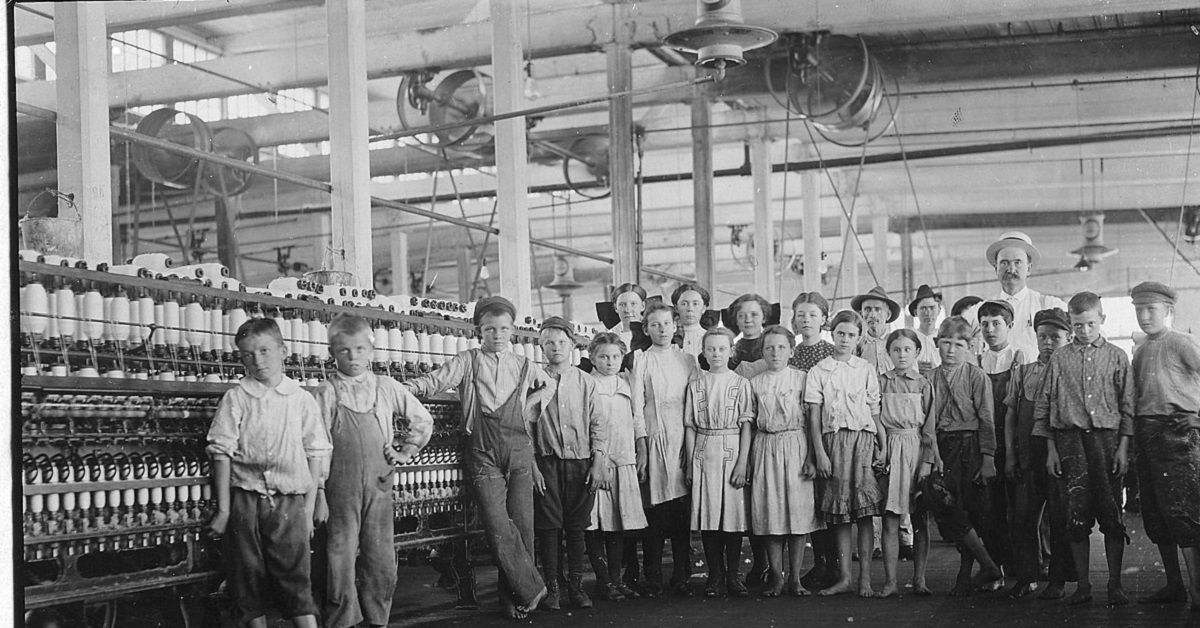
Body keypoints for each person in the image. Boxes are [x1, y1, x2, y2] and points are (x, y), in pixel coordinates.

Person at [402, 296, 549, 620]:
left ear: (512, 330)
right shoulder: (467, 360)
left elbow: (548, 386)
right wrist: (404, 389)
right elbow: (435, 381)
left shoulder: (524, 364)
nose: (497, 335)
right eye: (490, 329)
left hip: (519, 450)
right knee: (497, 526)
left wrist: (529, 410)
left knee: (522, 526)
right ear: (478, 330)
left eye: (504, 329)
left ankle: (513, 601)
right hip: (482, 452)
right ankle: (532, 588)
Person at [206, 318, 332, 628]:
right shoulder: (236, 398)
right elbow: (221, 453)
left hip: (289, 502)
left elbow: (316, 453)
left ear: (283, 351)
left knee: (296, 581)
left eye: (264, 351)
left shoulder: (301, 399)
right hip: (245, 501)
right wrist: (224, 510)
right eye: (248, 354)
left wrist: (308, 507)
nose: (257, 360)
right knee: (246, 583)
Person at [314, 315, 433, 628]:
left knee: (380, 556)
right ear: (331, 352)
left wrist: (405, 450)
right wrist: (319, 490)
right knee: (338, 554)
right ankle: (342, 619)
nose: (353, 357)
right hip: (339, 486)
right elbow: (314, 445)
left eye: (359, 349)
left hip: (379, 484)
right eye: (344, 350)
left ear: (371, 350)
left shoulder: (386, 387)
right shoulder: (325, 393)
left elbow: (422, 419)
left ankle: (378, 618)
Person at [1033, 291, 1134, 607]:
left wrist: (1123, 448)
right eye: (1077, 325)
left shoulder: (1118, 357)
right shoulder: (1060, 359)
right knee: (1075, 515)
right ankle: (1084, 585)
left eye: (1090, 324)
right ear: (1071, 323)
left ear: (1102, 320)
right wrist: (1050, 450)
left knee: (1111, 512)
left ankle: (1115, 584)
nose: (1084, 331)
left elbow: (1127, 405)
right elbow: (1044, 405)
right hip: (1069, 442)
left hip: (1107, 442)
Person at [1128, 281, 1200, 611]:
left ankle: (1198, 591)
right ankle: (1175, 585)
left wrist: (1198, 418)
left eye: (1151, 309)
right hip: (1146, 436)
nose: (1144, 316)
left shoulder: (1183, 342)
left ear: (1168, 311)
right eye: (1139, 309)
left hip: (1178, 437)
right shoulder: (1140, 350)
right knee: (1156, 517)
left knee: (1183, 515)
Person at [530, 317, 610, 611]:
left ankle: (576, 588)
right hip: (547, 463)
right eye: (549, 342)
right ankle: (552, 588)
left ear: (573, 345)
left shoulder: (585, 381)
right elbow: (525, 428)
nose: (556, 348)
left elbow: (599, 424)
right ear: (540, 346)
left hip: (581, 464)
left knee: (576, 528)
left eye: (562, 342)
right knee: (548, 528)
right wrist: (533, 467)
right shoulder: (535, 380)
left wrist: (598, 460)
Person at [806, 310, 885, 598]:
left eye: (851, 335)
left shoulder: (865, 368)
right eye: (841, 333)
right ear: (832, 333)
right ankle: (845, 578)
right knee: (839, 515)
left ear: (859, 337)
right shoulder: (819, 371)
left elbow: (874, 412)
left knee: (863, 513)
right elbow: (813, 417)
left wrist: (883, 442)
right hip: (833, 443)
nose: (845, 339)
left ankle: (865, 579)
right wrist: (820, 454)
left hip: (863, 442)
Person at [925, 316, 1002, 597]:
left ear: (969, 346)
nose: (951, 350)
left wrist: (988, 457)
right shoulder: (929, 378)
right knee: (947, 507)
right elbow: (927, 422)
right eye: (946, 343)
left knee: (971, 509)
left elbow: (987, 419)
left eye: (959, 344)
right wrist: (933, 453)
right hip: (941, 448)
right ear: (936, 344)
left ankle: (966, 574)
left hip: (970, 447)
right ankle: (988, 565)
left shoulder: (976, 376)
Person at [1003, 308, 1075, 600]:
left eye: (1054, 337)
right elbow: (1010, 415)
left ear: (1068, 338)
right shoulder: (1022, 372)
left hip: (1058, 456)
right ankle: (1027, 577)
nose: (1047, 342)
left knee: (1059, 519)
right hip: (1028, 457)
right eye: (1042, 336)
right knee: (1023, 518)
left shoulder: (1070, 372)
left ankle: (1057, 580)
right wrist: (1010, 455)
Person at [627, 301, 698, 597]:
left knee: (681, 513)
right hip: (654, 440)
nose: (662, 329)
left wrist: (691, 447)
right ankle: (653, 575)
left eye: (667, 324)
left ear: (676, 326)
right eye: (655, 325)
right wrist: (642, 447)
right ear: (646, 329)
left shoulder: (688, 359)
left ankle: (682, 574)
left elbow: (694, 406)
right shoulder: (641, 360)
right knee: (655, 513)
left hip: (683, 440)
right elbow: (636, 406)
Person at [749, 326, 823, 598]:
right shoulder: (754, 383)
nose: (775, 352)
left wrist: (812, 458)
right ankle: (776, 578)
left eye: (781, 347)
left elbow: (813, 421)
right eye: (769, 347)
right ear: (762, 352)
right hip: (766, 447)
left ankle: (795, 578)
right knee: (771, 514)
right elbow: (750, 424)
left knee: (798, 514)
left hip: (797, 446)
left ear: (792, 351)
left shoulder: (803, 379)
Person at [684, 328, 755, 598]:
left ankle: (733, 574)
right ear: (703, 352)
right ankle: (714, 575)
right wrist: (691, 463)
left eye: (722, 349)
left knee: (732, 517)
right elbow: (690, 426)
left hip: (731, 449)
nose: (716, 353)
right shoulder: (696, 385)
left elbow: (747, 425)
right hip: (704, 451)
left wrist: (742, 463)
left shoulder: (741, 384)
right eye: (711, 349)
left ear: (731, 351)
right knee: (709, 516)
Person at [585, 333, 649, 602]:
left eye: (615, 356)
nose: (609, 361)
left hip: (624, 459)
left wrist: (642, 449)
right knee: (595, 524)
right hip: (598, 462)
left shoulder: (627, 382)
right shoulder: (587, 383)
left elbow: (637, 419)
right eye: (603, 356)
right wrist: (596, 461)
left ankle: (617, 579)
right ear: (592, 358)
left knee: (618, 524)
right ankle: (602, 581)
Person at [976, 300, 1035, 588]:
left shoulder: (1020, 358)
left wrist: (1014, 451)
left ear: (1009, 326)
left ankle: (1024, 573)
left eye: (996, 323)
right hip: (986, 443)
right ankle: (995, 569)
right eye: (984, 324)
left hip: (1013, 441)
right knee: (990, 510)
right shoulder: (976, 361)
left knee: (1021, 511)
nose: (990, 329)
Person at [877, 329, 939, 599]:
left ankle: (919, 579)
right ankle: (890, 581)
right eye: (896, 350)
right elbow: (875, 417)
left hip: (915, 449)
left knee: (919, 518)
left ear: (917, 352)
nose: (902, 355)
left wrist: (926, 462)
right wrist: (880, 451)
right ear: (888, 353)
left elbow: (930, 429)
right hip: (890, 448)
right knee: (890, 518)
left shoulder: (924, 384)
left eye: (907, 349)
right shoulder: (880, 382)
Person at [788, 291, 839, 590]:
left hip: (826, 432)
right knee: (812, 503)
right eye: (801, 314)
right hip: (797, 433)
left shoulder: (831, 352)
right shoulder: (790, 352)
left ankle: (833, 565)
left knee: (828, 499)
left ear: (824, 318)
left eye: (812, 314)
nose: (806, 320)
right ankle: (820, 563)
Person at [985, 231, 1067, 354]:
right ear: (996, 268)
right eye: (1004, 263)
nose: (1011, 269)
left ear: (1028, 268)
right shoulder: (982, 309)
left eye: (1017, 262)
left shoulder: (1049, 305)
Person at [852, 286, 901, 375]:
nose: (872, 314)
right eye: (867, 309)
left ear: (888, 315)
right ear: (861, 314)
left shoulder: (899, 342)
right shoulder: (857, 345)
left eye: (878, 309)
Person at [672, 283, 719, 357]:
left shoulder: (711, 339)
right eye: (684, 304)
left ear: (703, 308)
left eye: (695, 304)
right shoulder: (669, 338)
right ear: (676, 308)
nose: (690, 309)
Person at [598, 283, 649, 351]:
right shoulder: (611, 336)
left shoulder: (653, 329)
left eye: (633, 304)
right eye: (622, 305)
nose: (627, 310)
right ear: (616, 308)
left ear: (643, 306)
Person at [907, 284, 943, 375]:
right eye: (923, 308)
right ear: (916, 312)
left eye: (932, 308)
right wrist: (913, 366)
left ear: (939, 310)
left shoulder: (944, 336)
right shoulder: (909, 336)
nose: (928, 313)